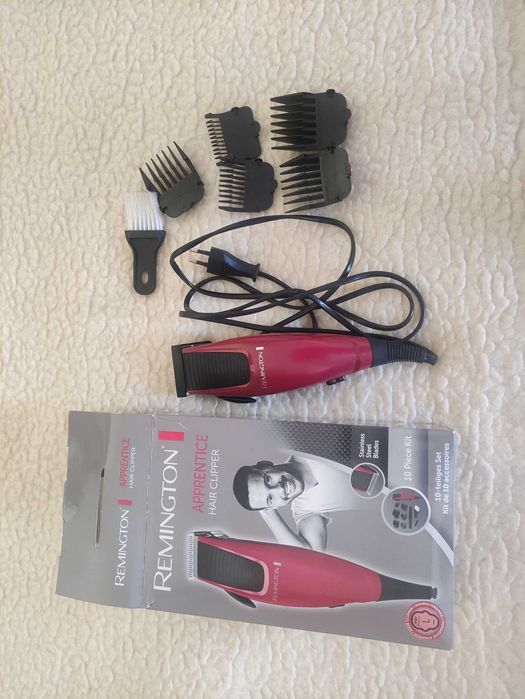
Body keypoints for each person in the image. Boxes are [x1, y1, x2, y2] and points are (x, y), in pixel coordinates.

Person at [232, 453, 376, 551]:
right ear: (273, 507)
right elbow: (311, 557)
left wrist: (266, 503)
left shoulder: (305, 445)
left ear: (266, 464)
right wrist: (266, 511)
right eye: (271, 498)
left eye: (268, 480)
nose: (279, 489)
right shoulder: (305, 509)